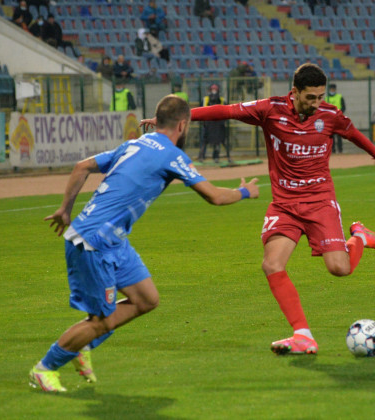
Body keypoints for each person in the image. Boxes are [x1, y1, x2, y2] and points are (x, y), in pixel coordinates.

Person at [142, 63, 375, 355]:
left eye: (320, 96)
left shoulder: (329, 115)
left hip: (320, 200)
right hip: (285, 204)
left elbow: (353, 133)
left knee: (339, 269)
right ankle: (303, 335)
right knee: (272, 264)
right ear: (295, 92)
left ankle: (359, 236)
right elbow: (227, 110)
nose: (317, 103)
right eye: (311, 97)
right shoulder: (269, 109)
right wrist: (180, 118)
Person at [29, 95, 260, 392]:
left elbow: (80, 167)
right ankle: (44, 368)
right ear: (183, 125)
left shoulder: (135, 143)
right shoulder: (171, 155)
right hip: (93, 242)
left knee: (147, 299)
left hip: (112, 239)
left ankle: (82, 343)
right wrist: (244, 193)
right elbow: (214, 196)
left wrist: (64, 209)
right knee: (100, 320)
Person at [198, 84, 228, 163]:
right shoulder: (205, 99)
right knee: (204, 141)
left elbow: (226, 112)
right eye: (212, 89)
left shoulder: (222, 100)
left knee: (218, 141)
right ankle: (201, 157)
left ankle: (216, 157)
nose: (214, 91)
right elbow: (200, 110)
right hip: (207, 124)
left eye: (215, 89)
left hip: (218, 124)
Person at [325, 84, 346, 153]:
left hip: (338, 119)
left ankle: (340, 150)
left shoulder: (339, 97)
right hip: (330, 120)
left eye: (333, 89)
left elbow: (343, 107)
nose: (332, 90)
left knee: (339, 135)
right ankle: (333, 150)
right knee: (331, 136)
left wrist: (339, 114)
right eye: (331, 89)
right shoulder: (326, 98)